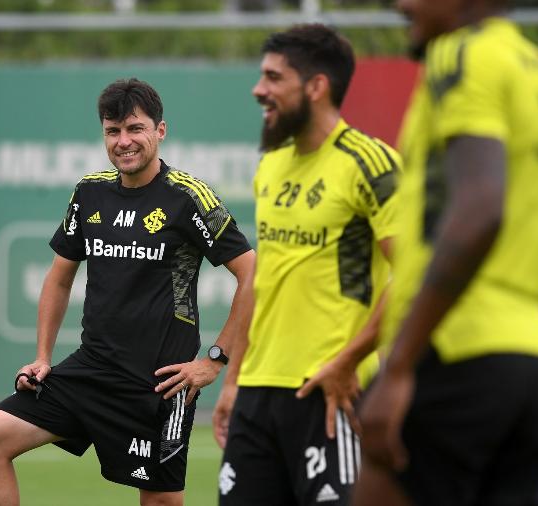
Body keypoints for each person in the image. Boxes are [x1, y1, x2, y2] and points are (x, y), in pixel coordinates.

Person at [0, 77, 255, 506]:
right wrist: (43, 356)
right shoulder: (90, 193)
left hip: (159, 386)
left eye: (135, 128)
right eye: (112, 130)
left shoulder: (188, 198)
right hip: (92, 370)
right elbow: (59, 277)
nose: (124, 141)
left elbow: (253, 276)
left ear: (160, 130)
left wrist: (214, 361)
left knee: (159, 501)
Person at [355, 1, 538, 505]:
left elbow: (481, 208)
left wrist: (398, 367)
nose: (402, 5)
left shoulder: (461, 53)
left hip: (458, 352)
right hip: (537, 365)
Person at [214, 24, 401, 506]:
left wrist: (348, 362)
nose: (259, 90)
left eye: (274, 77)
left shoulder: (370, 163)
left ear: (316, 86)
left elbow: (415, 274)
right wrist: (234, 380)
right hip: (256, 394)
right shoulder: (272, 163)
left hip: (329, 392)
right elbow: (262, 275)